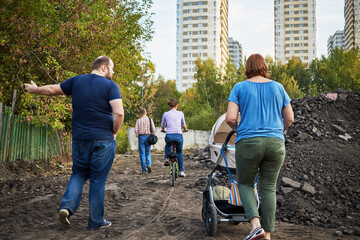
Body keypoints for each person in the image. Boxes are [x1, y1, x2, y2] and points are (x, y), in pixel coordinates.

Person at [25, 56, 124, 231]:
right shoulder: (110, 86)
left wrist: (34, 90)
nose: (113, 72)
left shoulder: (77, 81)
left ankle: (66, 207)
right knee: (98, 180)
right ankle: (95, 221)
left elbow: (51, 89)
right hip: (103, 140)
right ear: (103, 68)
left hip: (80, 139)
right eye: (112, 68)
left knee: (78, 173)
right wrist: (114, 132)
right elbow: (119, 114)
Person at [225, 54, 294, 240]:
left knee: (245, 184)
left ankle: (256, 226)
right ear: (264, 66)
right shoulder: (278, 87)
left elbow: (230, 118)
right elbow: (290, 118)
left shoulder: (239, 87)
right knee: (269, 188)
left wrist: (240, 130)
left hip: (248, 141)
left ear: (247, 68)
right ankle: (268, 235)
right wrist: (281, 131)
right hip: (276, 143)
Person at [161, 99, 187, 177]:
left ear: (169, 106)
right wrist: (184, 130)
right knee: (179, 152)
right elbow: (184, 125)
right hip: (178, 135)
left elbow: (162, 125)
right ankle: (181, 171)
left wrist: (164, 130)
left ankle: (166, 159)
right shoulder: (180, 113)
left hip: (169, 135)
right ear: (177, 105)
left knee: (168, 145)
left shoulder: (165, 114)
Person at [134, 108, 156, 174]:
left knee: (142, 154)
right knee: (148, 152)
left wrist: (138, 136)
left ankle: (144, 170)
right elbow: (153, 129)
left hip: (141, 137)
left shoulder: (138, 120)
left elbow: (136, 130)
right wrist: (152, 135)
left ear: (140, 114)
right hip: (148, 137)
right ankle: (149, 165)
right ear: (146, 113)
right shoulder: (150, 120)